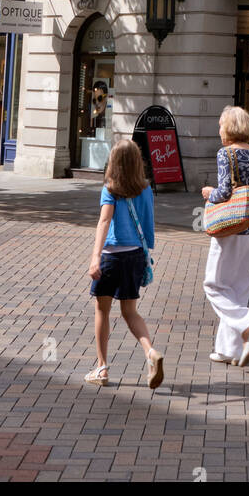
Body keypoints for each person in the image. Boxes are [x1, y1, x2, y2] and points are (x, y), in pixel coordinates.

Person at [85, 138, 164, 388]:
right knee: (130, 312)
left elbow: (104, 222)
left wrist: (95, 256)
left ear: (114, 163)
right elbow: (149, 221)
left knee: (102, 310)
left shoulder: (110, 188)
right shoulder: (146, 189)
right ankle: (150, 352)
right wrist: (146, 249)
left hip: (112, 255)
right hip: (134, 256)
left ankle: (102, 367)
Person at [202, 105, 249, 367]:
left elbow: (225, 192)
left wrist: (209, 193)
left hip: (229, 229)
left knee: (214, 285)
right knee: (238, 290)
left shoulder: (225, 154)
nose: (219, 129)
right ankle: (230, 350)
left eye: (221, 124)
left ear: (229, 128)